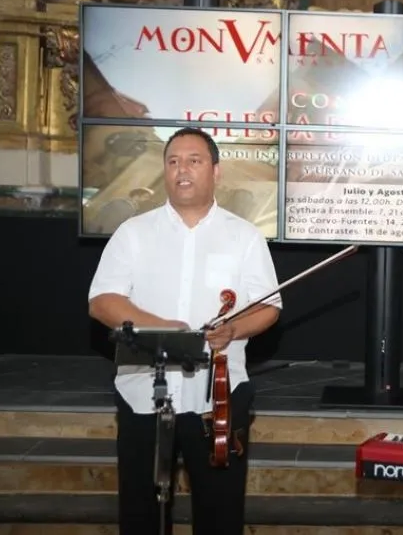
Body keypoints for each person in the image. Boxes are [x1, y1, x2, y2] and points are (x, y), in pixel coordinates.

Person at [87, 127, 282, 535]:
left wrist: (233, 329)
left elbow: (268, 307)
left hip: (219, 398)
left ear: (216, 171)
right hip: (144, 392)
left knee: (220, 510)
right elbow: (102, 301)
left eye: (194, 160)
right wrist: (166, 329)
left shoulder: (244, 236)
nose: (182, 170)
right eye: (173, 161)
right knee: (141, 513)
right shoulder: (134, 232)